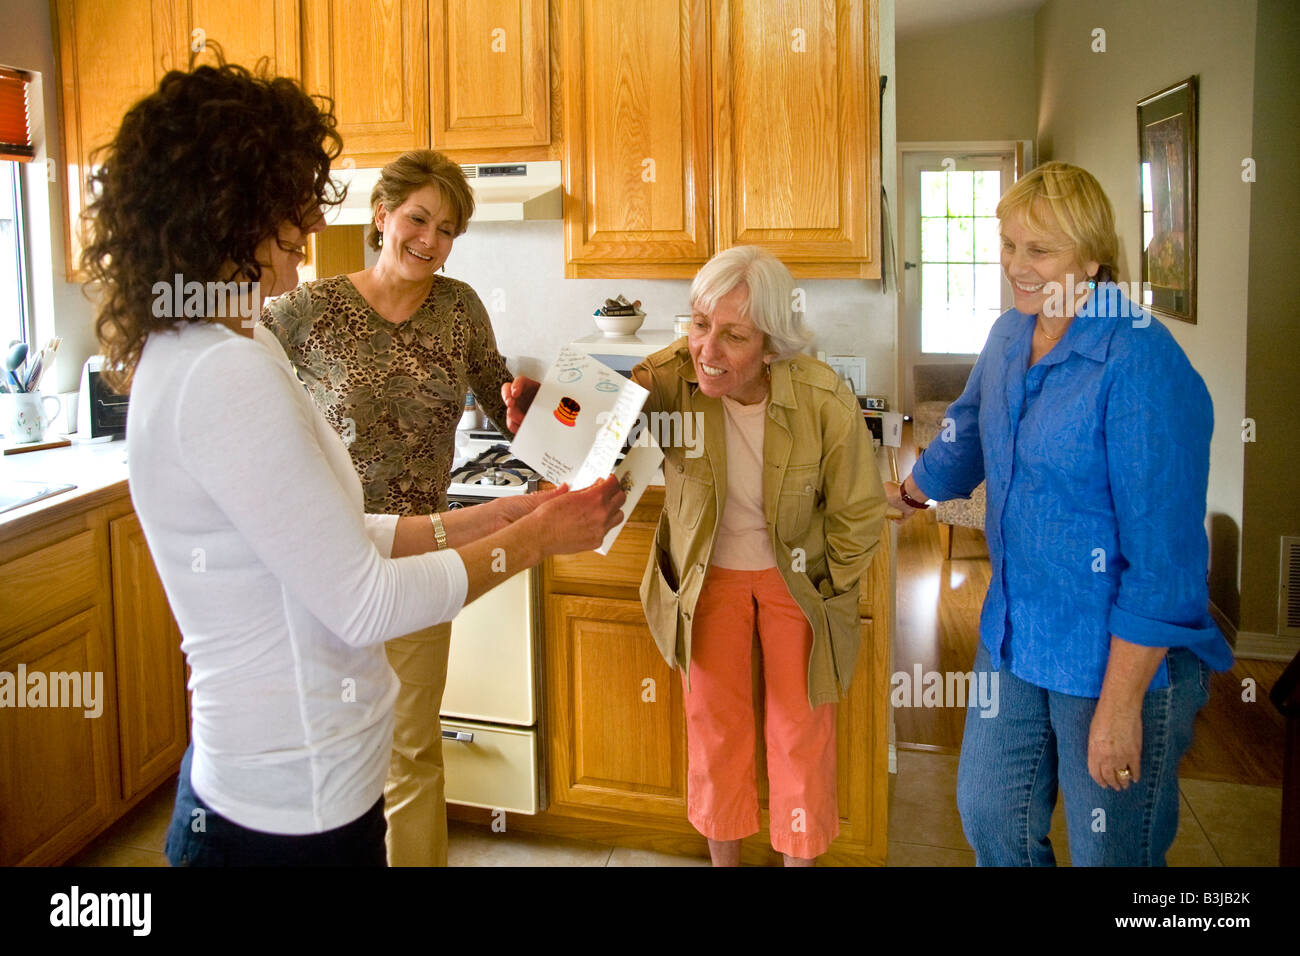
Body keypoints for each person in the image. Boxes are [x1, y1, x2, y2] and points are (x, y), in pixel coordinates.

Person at [83, 58, 624, 867]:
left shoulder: (229, 341)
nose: (306, 227)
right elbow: (365, 603)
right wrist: (539, 539)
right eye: (290, 206)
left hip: (306, 787)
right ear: (227, 207)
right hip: (287, 812)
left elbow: (335, 533)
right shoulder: (226, 367)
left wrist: (502, 512)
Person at [885, 161, 1232, 866]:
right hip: (1016, 631)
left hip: (1116, 655)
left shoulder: (1139, 362)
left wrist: (1121, 705)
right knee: (991, 819)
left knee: (1111, 856)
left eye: (1039, 249)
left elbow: (1164, 567)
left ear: (1093, 256)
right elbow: (972, 423)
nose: (1016, 264)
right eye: (1008, 243)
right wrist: (912, 490)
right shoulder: (1012, 333)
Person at [505, 246, 886, 865]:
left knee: (800, 733)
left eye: (734, 335)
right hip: (707, 580)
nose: (707, 350)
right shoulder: (669, 374)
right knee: (716, 730)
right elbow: (594, 430)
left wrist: (828, 583)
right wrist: (542, 412)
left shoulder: (822, 397)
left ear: (772, 344)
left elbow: (859, 510)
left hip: (796, 581)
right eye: (701, 323)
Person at [260, 149, 512, 867]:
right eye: (418, 218)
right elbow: (242, 379)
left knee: (411, 749)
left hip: (423, 558)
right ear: (383, 216)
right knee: (328, 750)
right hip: (327, 556)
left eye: (447, 229)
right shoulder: (307, 310)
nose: (430, 239)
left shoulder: (460, 308)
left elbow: (504, 404)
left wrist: (556, 407)